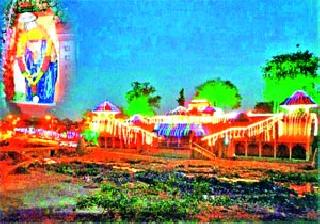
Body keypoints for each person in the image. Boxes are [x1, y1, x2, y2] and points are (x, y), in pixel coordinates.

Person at [16, 12, 58, 104]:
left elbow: (47, 61)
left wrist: (37, 79)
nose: (24, 27)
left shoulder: (46, 38)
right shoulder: (23, 37)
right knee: (31, 98)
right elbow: (19, 58)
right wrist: (29, 77)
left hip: (47, 71)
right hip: (31, 70)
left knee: (45, 96)